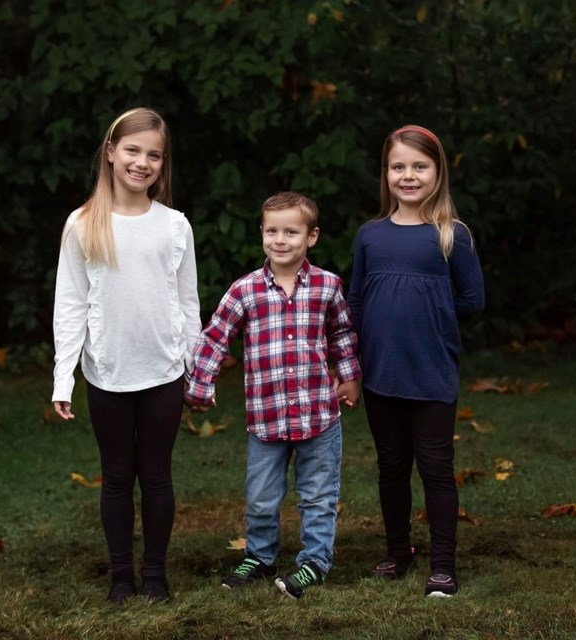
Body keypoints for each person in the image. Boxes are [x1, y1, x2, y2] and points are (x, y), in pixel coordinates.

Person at [51, 107, 201, 604]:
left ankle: (155, 576)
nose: (142, 162)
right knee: (117, 476)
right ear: (111, 152)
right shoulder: (82, 224)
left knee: (156, 474)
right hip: (107, 371)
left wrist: (196, 372)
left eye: (153, 155)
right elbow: (70, 303)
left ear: (163, 163)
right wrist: (63, 378)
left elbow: (187, 303)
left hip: (163, 371)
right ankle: (121, 577)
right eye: (132, 151)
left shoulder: (175, 226)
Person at [184, 191, 362, 600]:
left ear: (311, 237)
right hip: (266, 420)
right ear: (262, 233)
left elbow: (341, 335)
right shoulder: (245, 290)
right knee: (261, 498)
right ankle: (260, 556)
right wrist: (200, 384)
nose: (280, 240)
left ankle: (314, 561)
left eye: (291, 232)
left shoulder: (327, 286)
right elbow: (215, 338)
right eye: (271, 231)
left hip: (319, 416)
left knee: (318, 496)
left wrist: (349, 377)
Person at [347, 125, 485, 598]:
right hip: (381, 373)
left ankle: (443, 563)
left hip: (430, 372)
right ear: (386, 174)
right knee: (391, 466)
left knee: (435, 467)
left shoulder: (451, 235)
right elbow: (357, 300)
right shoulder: (371, 235)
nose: (408, 175)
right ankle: (397, 550)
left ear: (437, 172)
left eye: (419, 166)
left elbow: (472, 299)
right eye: (398, 166)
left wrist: (425, 311)